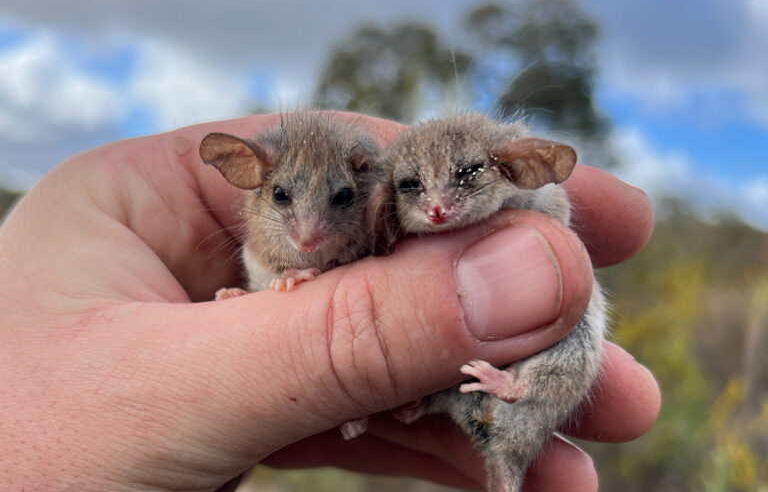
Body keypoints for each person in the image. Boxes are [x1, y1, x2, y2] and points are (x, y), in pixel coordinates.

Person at [0, 113, 659, 492]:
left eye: (340, 200)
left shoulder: (383, 213)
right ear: (254, 179)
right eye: (283, 198)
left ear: (365, 194)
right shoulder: (268, 225)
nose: (308, 233)